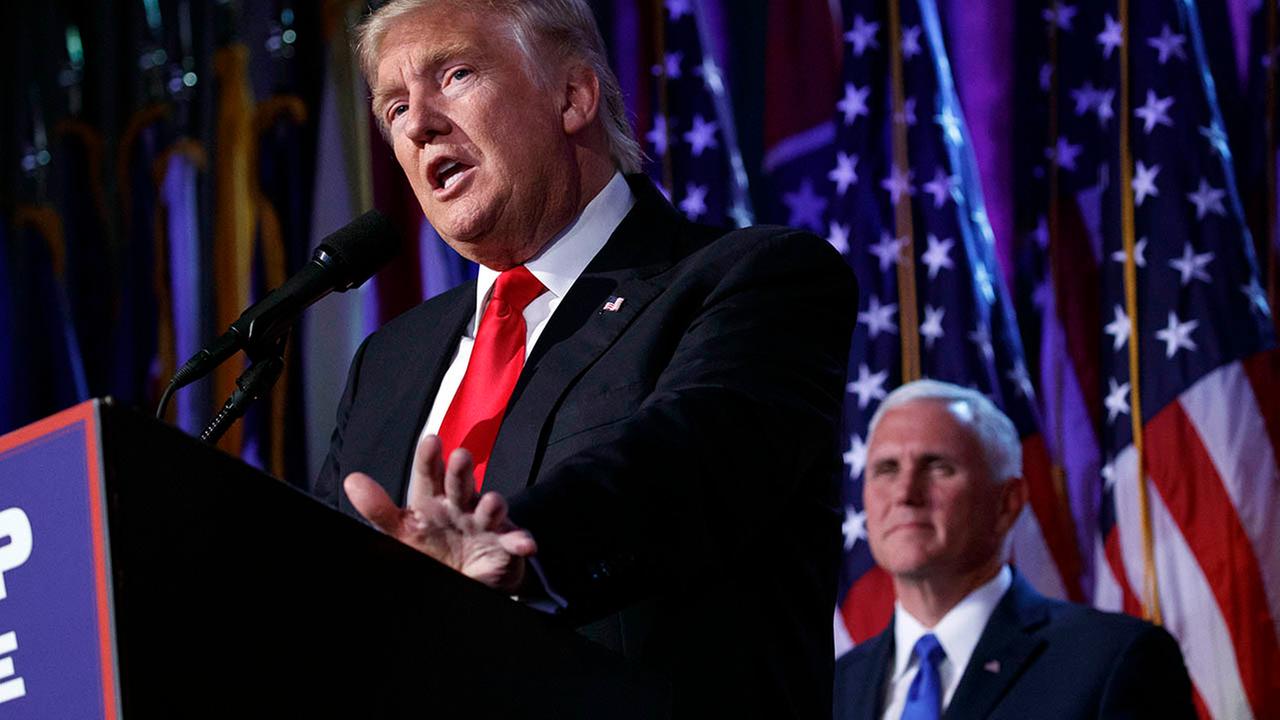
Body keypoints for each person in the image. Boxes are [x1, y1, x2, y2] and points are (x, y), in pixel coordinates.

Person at [308, 0, 858, 716]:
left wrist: (515, 546)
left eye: (456, 74)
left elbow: (681, 465)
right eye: (393, 107)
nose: (417, 123)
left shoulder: (753, 279)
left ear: (573, 96)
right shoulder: (389, 360)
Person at [833, 380, 1196, 719]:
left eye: (938, 467)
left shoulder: (1112, 661)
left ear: (1007, 502)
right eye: (886, 469)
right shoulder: (834, 685)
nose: (905, 493)